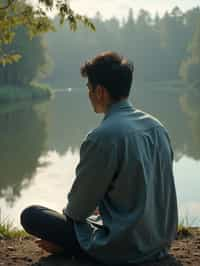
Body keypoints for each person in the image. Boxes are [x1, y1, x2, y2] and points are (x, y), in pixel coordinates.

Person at [21, 51, 178, 264]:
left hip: (122, 248)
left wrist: (67, 234)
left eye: (89, 88)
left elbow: (76, 211)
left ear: (100, 92)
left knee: (32, 215)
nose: (88, 94)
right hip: (159, 242)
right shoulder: (157, 127)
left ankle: (70, 249)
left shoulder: (102, 137)